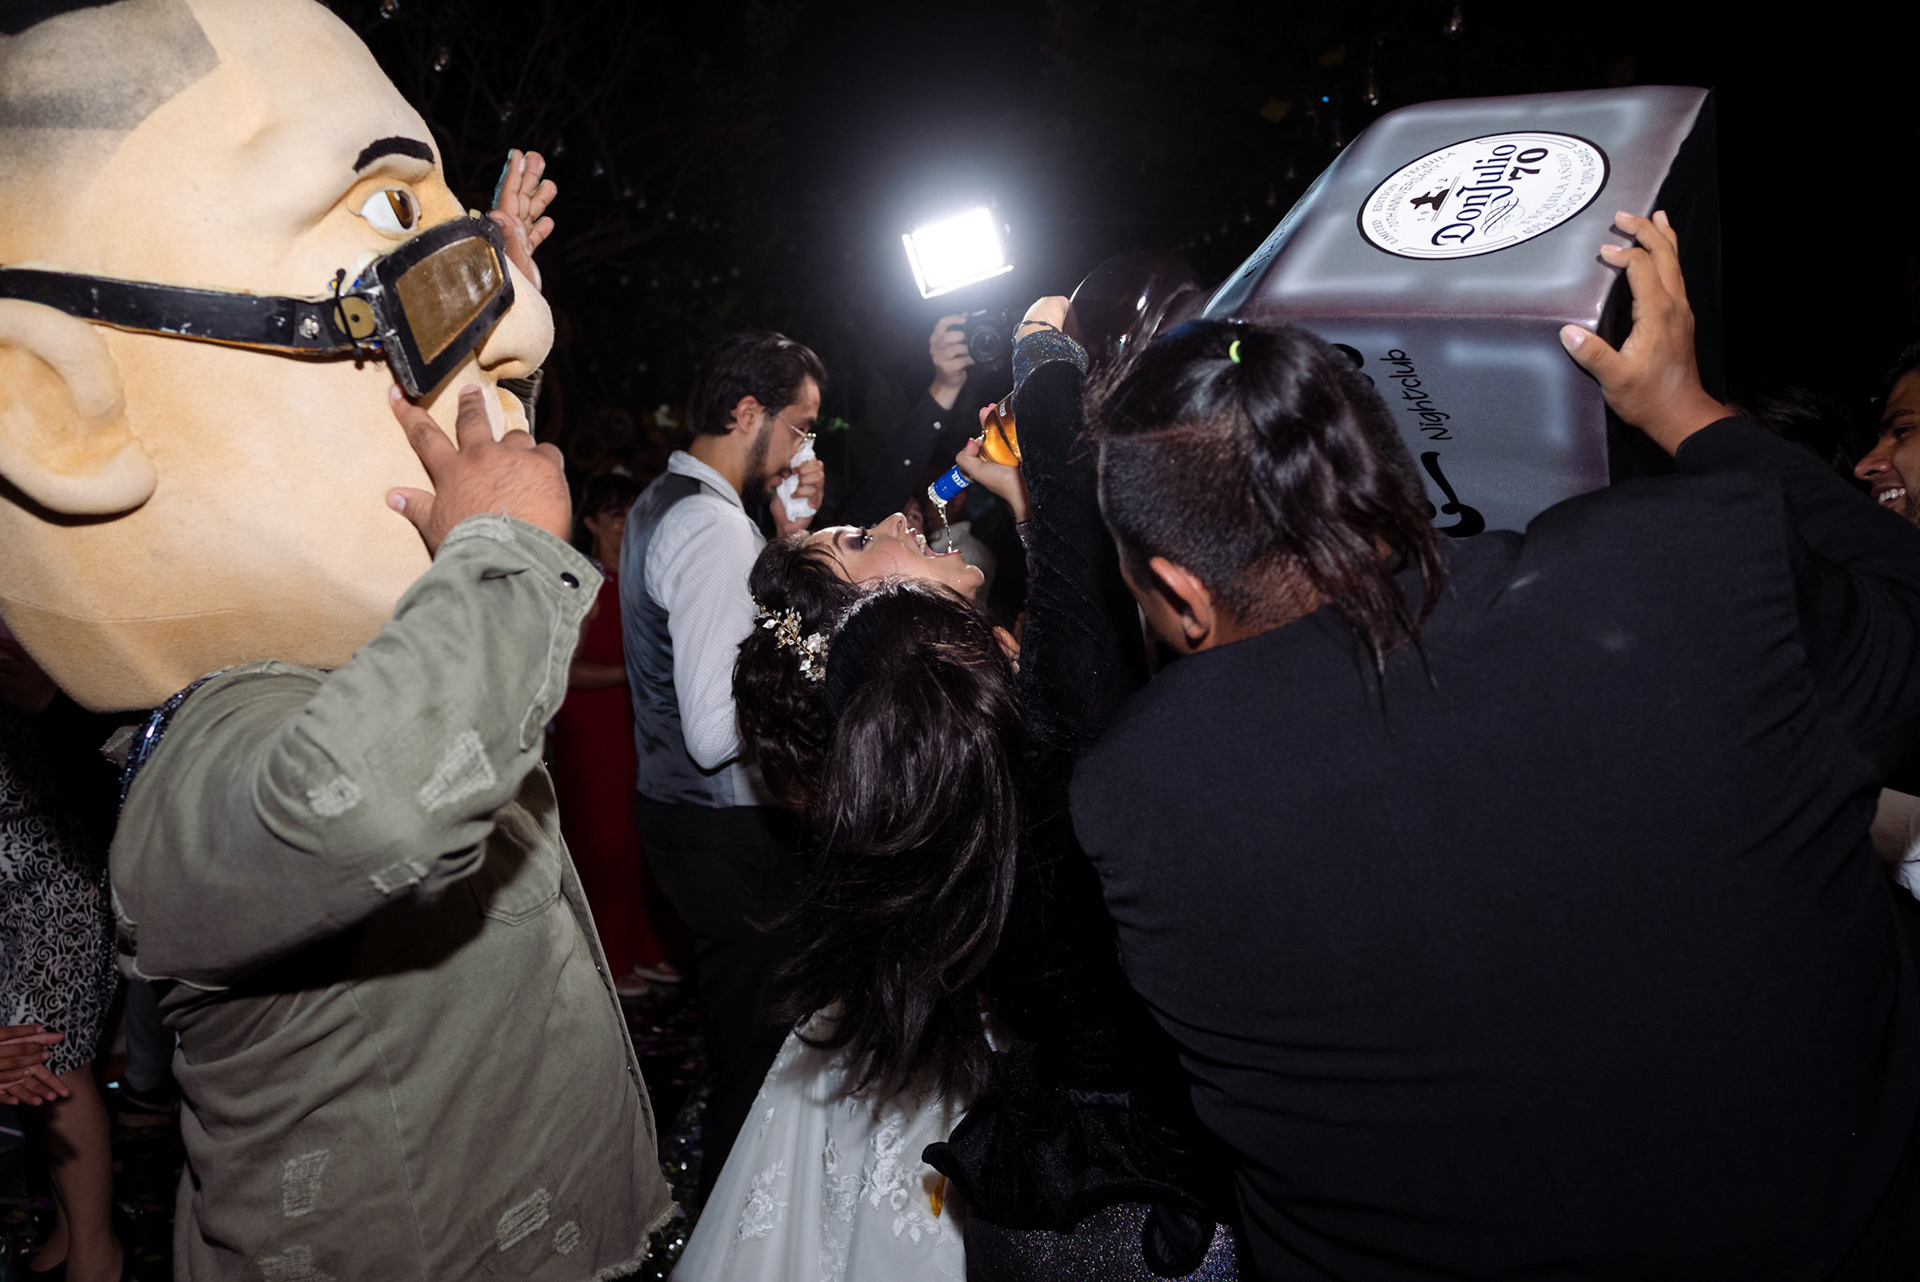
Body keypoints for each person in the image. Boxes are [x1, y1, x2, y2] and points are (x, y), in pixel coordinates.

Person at [1071, 210, 1920, 1278]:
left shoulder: (1136, 800)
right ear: (1387, 467)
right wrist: (1684, 410)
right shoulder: (1692, 558)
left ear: (1181, 592)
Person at [0, 3, 672, 1277]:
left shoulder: (375, 666)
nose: (522, 334)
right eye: (387, 229)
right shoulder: (199, 763)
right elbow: (373, 803)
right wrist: (500, 552)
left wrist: (485, 281)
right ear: (50, 410)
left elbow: (433, 475)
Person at [678, 305, 1237, 1280]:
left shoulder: (950, 751)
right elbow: (1084, 644)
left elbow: (1070, 647)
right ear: (866, 625)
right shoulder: (980, 758)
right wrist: (1045, 353)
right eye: (862, 540)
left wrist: (1020, 500)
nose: (900, 519)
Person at [619, 329, 827, 1198]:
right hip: (727, 833)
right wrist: (815, 661)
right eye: (800, 425)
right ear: (749, 413)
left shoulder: (665, 501)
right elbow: (715, 728)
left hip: (683, 819)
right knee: (757, 1065)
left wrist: (787, 537)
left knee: (745, 1046)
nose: (805, 448)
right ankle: (733, 1228)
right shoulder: (710, 528)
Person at [0, 635, 124, 1282]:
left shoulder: (37, 603)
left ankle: (98, 1255)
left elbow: (123, 727)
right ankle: (71, 1226)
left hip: (53, 849)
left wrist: (51, 702)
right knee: (20, 1058)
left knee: (54, 1056)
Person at [551, 470, 686, 995]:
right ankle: (605, 953)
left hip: (634, 723)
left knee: (635, 838)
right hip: (591, 724)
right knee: (601, 839)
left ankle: (640, 944)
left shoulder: (639, 578)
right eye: (614, 513)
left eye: (632, 510)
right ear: (589, 522)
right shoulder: (583, 582)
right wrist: (633, 673)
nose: (627, 521)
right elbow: (564, 670)